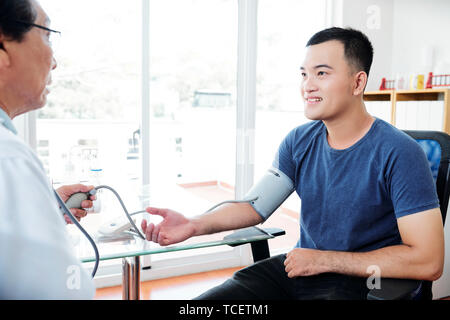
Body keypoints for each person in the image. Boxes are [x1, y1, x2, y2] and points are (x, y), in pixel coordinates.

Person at [141, 27, 445, 300]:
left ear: (357, 82)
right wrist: (194, 224)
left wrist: (325, 259)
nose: (307, 86)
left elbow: (429, 261)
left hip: (367, 283)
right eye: (304, 74)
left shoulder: (401, 153)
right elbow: (253, 207)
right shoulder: (299, 141)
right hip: (303, 272)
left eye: (322, 74)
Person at [0, 0, 95, 299]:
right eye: (46, 34)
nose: (54, 61)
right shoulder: (9, 157)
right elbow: (64, 292)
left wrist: (43, 205)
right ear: (2, 46)